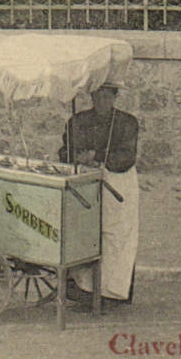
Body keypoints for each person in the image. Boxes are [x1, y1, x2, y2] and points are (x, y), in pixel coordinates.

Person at [59, 81, 140, 303]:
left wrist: (97, 156)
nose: (101, 102)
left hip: (117, 183)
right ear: (91, 98)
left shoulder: (126, 123)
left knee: (116, 234)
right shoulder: (79, 121)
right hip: (86, 183)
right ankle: (82, 289)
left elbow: (127, 156)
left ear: (114, 98)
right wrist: (75, 157)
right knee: (85, 232)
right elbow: (64, 151)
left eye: (106, 97)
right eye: (97, 97)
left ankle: (114, 291)